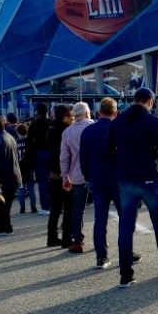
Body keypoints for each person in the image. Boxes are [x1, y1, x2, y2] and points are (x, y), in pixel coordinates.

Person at [109, 87, 158, 287]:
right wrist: (153, 154)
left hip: (126, 179)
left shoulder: (118, 122)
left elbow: (109, 148)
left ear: (134, 99)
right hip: (149, 176)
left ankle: (126, 274)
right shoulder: (152, 120)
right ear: (149, 100)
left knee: (126, 226)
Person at [80, 97, 137, 271]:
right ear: (116, 112)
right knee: (125, 219)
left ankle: (101, 257)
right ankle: (126, 254)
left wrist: (88, 177)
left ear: (98, 112)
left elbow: (83, 159)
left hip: (97, 180)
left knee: (100, 219)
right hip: (119, 180)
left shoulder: (88, 131)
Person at [60, 102, 94, 254]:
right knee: (102, 208)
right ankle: (102, 241)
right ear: (87, 113)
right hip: (97, 174)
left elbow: (64, 157)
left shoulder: (67, 132)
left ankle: (78, 241)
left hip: (76, 175)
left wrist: (64, 176)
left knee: (77, 210)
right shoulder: (95, 127)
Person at [46, 105, 74, 248]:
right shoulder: (65, 131)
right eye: (70, 116)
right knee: (68, 207)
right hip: (64, 173)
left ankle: (51, 237)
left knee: (55, 208)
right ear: (64, 117)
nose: (72, 118)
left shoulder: (51, 128)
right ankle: (66, 238)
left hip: (53, 173)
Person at [24, 102, 52, 215]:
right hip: (52, 153)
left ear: (37, 112)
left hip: (39, 154)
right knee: (54, 180)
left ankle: (45, 207)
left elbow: (29, 143)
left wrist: (28, 161)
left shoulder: (33, 125)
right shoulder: (51, 123)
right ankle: (56, 205)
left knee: (42, 182)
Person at [14, 123, 37, 214]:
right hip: (29, 167)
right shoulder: (30, 141)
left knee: (21, 188)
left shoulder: (15, 142)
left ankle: (22, 208)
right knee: (31, 188)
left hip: (19, 168)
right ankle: (33, 207)